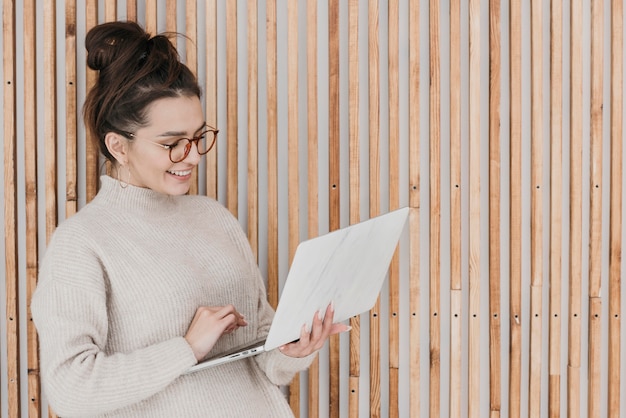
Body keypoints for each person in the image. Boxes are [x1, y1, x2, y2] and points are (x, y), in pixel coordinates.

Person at [32, 21, 348, 417]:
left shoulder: (214, 218)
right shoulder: (81, 243)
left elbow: (262, 349)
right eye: (172, 144)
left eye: (198, 137)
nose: (193, 155)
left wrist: (291, 349)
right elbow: (70, 391)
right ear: (118, 146)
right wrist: (186, 349)